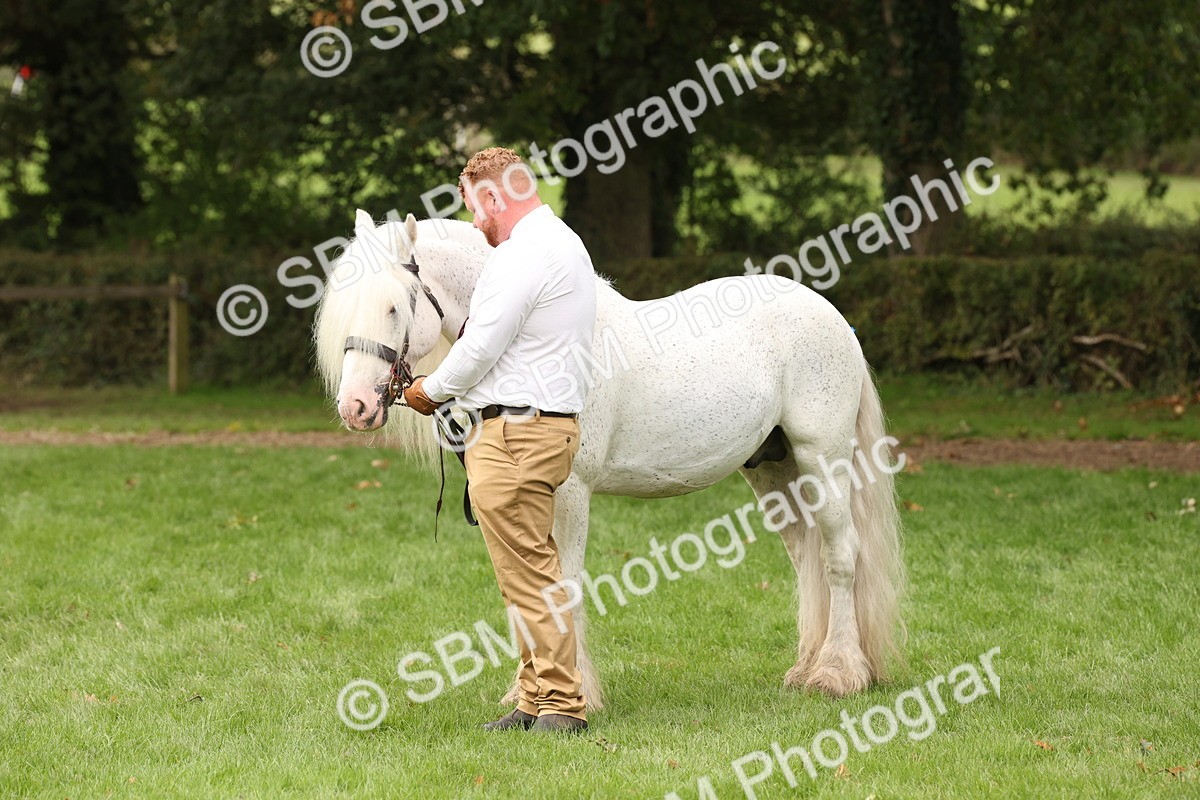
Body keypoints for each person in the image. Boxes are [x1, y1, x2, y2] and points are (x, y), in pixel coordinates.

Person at [403, 147, 598, 734]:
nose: (473, 224)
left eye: (472, 208)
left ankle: (562, 706)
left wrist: (427, 391)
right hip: (534, 425)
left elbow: (479, 346)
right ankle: (535, 699)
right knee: (521, 570)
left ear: (492, 197)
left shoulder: (523, 255)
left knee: (533, 574)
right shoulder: (562, 242)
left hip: (518, 432)